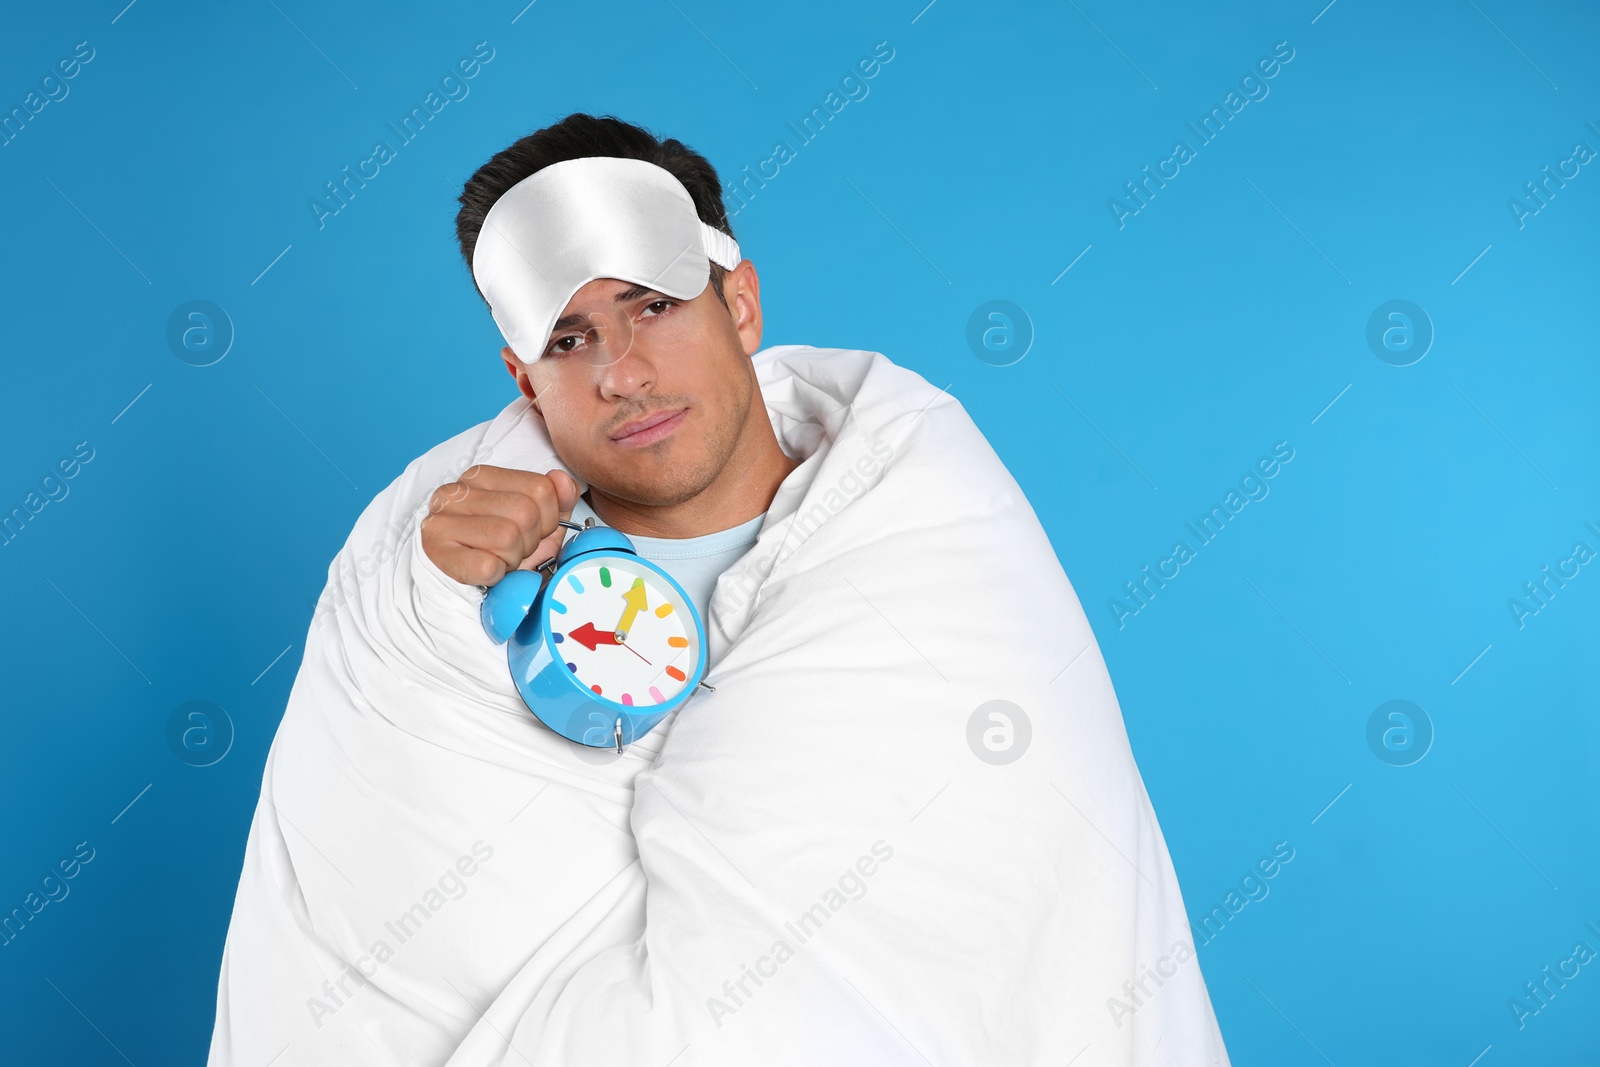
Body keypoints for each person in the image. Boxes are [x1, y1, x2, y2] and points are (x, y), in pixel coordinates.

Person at [422, 113, 796, 626]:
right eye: (568, 341)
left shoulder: (911, 508)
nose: (624, 377)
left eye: (655, 308)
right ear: (527, 383)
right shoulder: (446, 578)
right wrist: (436, 598)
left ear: (742, 309)